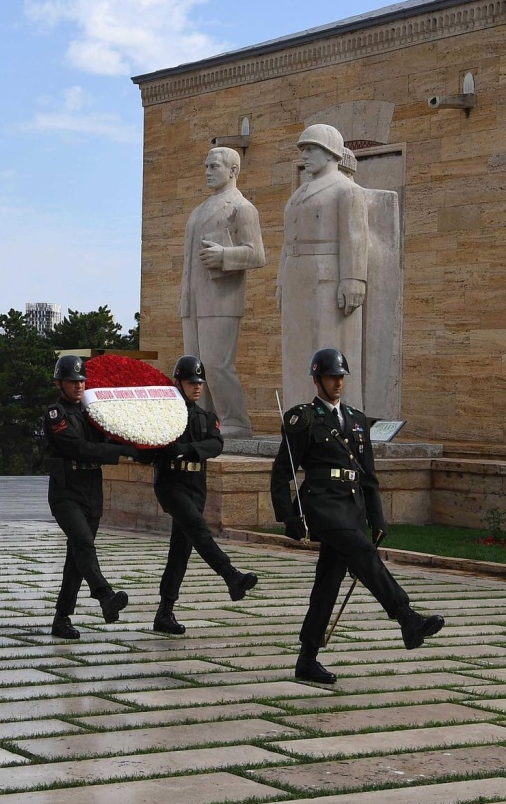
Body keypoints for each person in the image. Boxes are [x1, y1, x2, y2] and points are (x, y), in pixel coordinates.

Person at [271, 348, 445, 684]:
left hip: (350, 508)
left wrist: (377, 518)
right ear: (317, 379)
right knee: (362, 552)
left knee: (327, 584)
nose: (338, 383)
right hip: (321, 505)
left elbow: (368, 475)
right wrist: (287, 516)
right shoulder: (304, 419)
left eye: (341, 377)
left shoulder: (356, 419)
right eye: (331, 377)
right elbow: (282, 471)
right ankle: (406, 616)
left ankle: (307, 659)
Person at [144, 355, 260, 635]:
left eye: (199, 382)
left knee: (180, 551)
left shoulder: (206, 417)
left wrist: (187, 450)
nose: (197, 387)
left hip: (196, 486)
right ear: (178, 383)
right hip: (171, 484)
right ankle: (231, 576)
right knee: (198, 529)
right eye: (190, 382)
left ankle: (164, 612)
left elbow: (216, 444)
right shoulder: (166, 415)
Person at [279, 124, 370, 410]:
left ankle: (337, 416)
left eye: (311, 149)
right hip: (297, 276)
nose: (304, 155)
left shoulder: (347, 190)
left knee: (329, 346)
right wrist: (281, 281)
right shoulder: (299, 193)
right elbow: (287, 242)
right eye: (303, 149)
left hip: (327, 278)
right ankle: (298, 413)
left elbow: (356, 237)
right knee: (295, 349)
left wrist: (354, 278)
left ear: (330, 152)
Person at [43, 355, 135, 639]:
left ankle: (62, 618)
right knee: (83, 543)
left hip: (91, 492)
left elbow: (109, 436)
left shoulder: (92, 412)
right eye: (72, 381)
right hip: (66, 492)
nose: (79, 385)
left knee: (77, 557)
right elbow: (79, 449)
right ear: (59, 383)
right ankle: (104, 594)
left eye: (82, 380)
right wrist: (120, 452)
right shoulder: (56, 414)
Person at [179, 146, 266, 439]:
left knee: (217, 365)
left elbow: (257, 254)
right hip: (194, 299)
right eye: (206, 166)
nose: (207, 172)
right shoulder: (199, 210)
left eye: (214, 166)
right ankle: (201, 420)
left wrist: (225, 255)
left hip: (222, 299)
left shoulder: (242, 208)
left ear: (233, 170)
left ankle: (235, 421)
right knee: (194, 366)